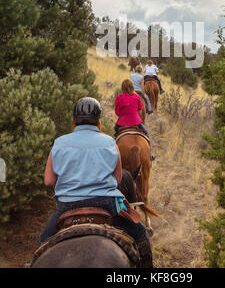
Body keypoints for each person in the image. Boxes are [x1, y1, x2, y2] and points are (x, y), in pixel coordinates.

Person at [39, 97, 153, 267]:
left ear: (74, 121)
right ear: (98, 121)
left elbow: (48, 180)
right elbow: (118, 179)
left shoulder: (59, 143)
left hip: (67, 205)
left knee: (43, 242)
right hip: (107, 203)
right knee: (141, 232)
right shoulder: (109, 142)